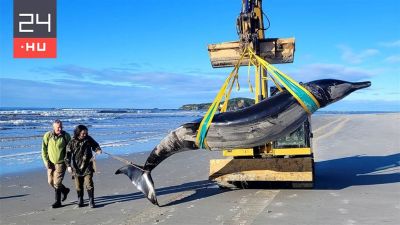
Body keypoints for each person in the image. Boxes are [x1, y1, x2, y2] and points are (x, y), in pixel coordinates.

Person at [65, 125, 102, 208]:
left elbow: (95, 145)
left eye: (86, 133)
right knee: (78, 185)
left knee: (89, 183)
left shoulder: (88, 139)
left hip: (88, 166)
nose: (85, 134)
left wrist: (98, 150)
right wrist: (68, 166)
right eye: (83, 133)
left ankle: (91, 201)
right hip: (76, 168)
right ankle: (80, 200)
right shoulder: (72, 142)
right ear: (78, 133)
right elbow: (67, 154)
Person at [41, 119, 71, 208]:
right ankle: (65, 190)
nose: (60, 129)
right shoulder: (48, 135)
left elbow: (69, 151)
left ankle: (57, 202)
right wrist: (46, 161)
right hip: (50, 163)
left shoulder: (66, 136)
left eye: (61, 127)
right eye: (58, 127)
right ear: (53, 127)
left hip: (61, 163)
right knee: (50, 182)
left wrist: (68, 164)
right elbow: (44, 149)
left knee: (57, 183)